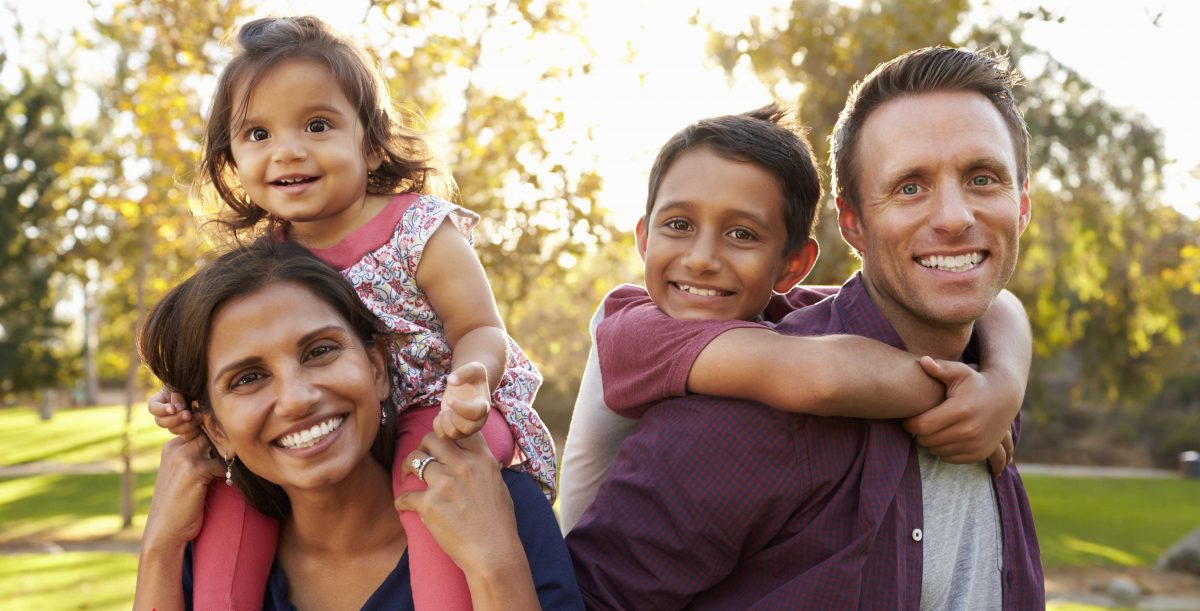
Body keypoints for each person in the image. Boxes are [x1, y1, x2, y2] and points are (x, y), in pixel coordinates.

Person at [567, 46, 1044, 609]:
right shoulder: (740, 410)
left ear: (1022, 207)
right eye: (910, 187)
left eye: (983, 178)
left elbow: (1002, 305)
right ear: (853, 223)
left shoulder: (985, 380)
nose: (954, 217)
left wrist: (1002, 385)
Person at [145, 16, 555, 611]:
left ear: (368, 139)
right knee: (234, 496)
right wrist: (178, 405)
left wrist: (472, 381)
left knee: (427, 482)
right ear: (231, 159)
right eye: (257, 134)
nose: (288, 149)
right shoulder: (269, 264)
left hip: (440, 410)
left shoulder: (417, 228)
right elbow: (219, 368)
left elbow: (479, 327)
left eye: (317, 125)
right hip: (346, 428)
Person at [134, 241, 581, 610]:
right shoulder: (205, 556)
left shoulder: (494, 505)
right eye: (249, 378)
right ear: (217, 431)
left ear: (378, 368)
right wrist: (160, 546)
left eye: (320, 351)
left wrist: (495, 564)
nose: (297, 398)